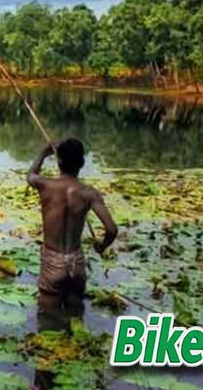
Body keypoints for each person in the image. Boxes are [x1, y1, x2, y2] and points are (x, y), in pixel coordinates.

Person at [27, 138, 118, 332]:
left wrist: (43, 153)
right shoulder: (89, 193)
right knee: (76, 318)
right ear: (82, 163)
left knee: (47, 321)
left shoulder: (46, 185)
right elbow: (112, 229)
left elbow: (31, 175)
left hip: (53, 262)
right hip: (76, 263)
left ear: (58, 161)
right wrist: (102, 245)